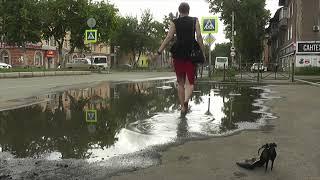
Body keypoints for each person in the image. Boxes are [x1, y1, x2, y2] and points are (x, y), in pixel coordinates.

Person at [157, 2, 205, 117]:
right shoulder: (195, 20)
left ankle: (183, 106)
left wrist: (159, 50)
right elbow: (199, 36)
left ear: (179, 11)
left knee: (180, 82)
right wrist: (203, 52)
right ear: (188, 10)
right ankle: (186, 100)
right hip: (191, 54)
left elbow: (169, 37)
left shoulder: (175, 22)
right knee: (190, 82)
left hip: (178, 53)